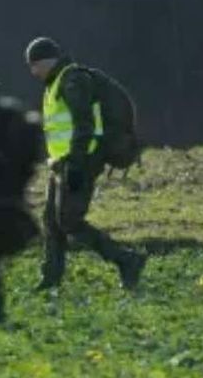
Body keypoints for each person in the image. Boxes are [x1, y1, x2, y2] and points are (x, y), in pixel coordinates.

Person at [26, 37, 147, 291]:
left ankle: (126, 260)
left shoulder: (73, 81)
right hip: (61, 163)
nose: (32, 72)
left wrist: (77, 164)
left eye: (33, 65)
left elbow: (85, 125)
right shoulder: (55, 83)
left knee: (68, 221)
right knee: (51, 220)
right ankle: (51, 277)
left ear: (45, 61)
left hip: (80, 161)